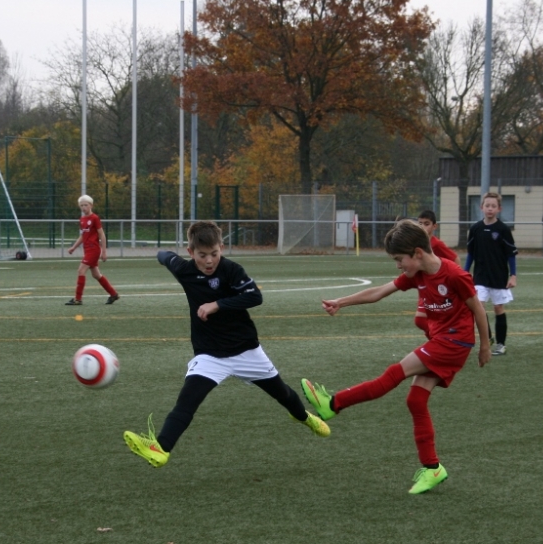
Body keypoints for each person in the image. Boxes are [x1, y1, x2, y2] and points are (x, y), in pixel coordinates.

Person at [300, 219, 491, 495]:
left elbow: (479, 310)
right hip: (442, 340)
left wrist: (485, 346)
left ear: (417, 253)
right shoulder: (417, 275)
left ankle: (333, 403)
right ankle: (433, 468)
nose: (398, 265)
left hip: (454, 342)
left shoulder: (454, 275)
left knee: (394, 374)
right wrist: (341, 302)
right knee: (415, 399)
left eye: (399, 259)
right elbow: (379, 292)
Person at [123, 220, 330, 468]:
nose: (209, 260)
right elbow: (165, 256)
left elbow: (255, 296)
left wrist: (217, 304)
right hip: (210, 356)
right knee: (187, 402)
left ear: (222, 247)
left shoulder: (231, 270)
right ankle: (161, 449)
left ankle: (304, 417)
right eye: (202, 255)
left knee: (283, 393)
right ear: (191, 253)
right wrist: (161, 255)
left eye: (214, 253)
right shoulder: (184, 269)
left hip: (246, 351)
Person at [465, 192, 517, 356]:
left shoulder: (503, 229)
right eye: (487, 205)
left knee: (498, 307)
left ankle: (501, 344)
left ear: (499, 209)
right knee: (478, 306)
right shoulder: (475, 229)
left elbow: (510, 254)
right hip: (480, 275)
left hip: (499, 275)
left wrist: (513, 275)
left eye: (493, 206)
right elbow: (471, 254)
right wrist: (465, 272)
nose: (490, 208)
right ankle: (488, 337)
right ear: (482, 207)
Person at [66, 195, 119, 306]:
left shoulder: (94, 218)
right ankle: (113, 294)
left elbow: (102, 235)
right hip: (87, 250)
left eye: (86, 205)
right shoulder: (82, 220)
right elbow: (82, 236)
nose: (84, 207)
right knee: (96, 275)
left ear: (91, 205)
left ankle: (78, 299)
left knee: (81, 271)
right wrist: (74, 247)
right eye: (81, 205)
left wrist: (104, 251)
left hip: (93, 250)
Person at [415, 210, 459, 332]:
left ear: (434, 226)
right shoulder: (417, 243)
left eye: (426, 223)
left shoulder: (436, 244)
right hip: (424, 287)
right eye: (420, 223)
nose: (422, 226)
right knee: (423, 320)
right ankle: (439, 342)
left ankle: (441, 340)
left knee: (421, 319)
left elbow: (456, 259)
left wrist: (453, 280)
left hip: (437, 288)